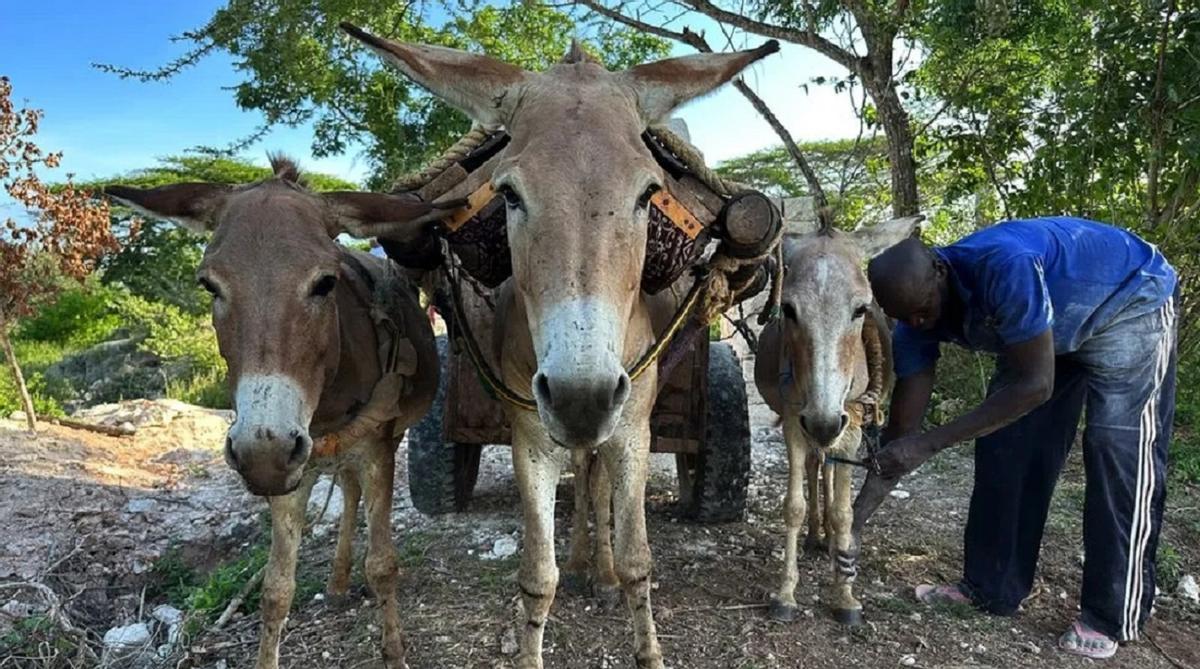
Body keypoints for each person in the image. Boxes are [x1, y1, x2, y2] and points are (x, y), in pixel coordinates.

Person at [866, 216, 1177, 659]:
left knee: (1118, 450)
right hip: (1042, 330)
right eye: (907, 318)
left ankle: (1110, 614)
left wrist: (930, 444)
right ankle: (990, 587)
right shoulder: (913, 319)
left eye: (925, 308)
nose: (918, 320)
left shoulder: (1003, 265)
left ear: (941, 271)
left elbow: (1035, 385)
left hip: (1128, 303)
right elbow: (903, 430)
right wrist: (874, 480)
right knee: (1006, 445)